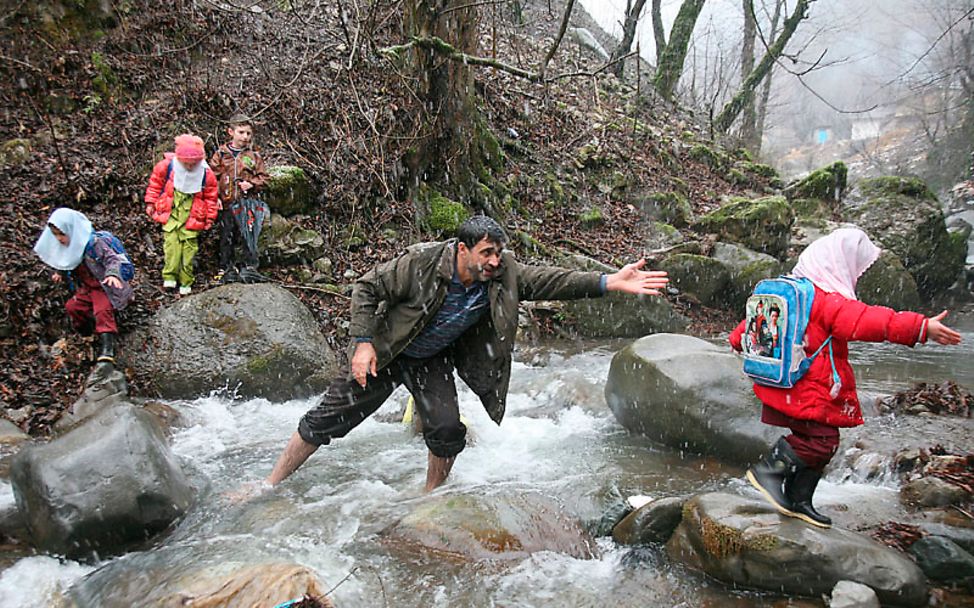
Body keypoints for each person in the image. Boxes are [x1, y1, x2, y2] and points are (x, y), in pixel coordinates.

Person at [262, 216, 669, 493]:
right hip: (389, 351)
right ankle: (269, 483)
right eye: (487, 253)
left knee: (446, 430)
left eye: (499, 252)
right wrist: (363, 343)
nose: (495, 261)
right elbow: (367, 288)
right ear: (463, 249)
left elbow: (549, 280)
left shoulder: (503, 271)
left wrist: (607, 281)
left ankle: (429, 497)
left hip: (432, 359)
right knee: (326, 419)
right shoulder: (420, 263)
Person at [729, 227, 961, 528]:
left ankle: (799, 500)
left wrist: (746, 346)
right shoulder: (826, 300)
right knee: (821, 443)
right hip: (808, 389)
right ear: (840, 265)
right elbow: (873, 321)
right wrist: (920, 327)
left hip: (781, 384)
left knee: (823, 442)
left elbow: (742, 333)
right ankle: (768, 472)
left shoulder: (786, 291)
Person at [33, 208, 134, 366]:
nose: (59, 239)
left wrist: (113, 274)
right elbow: (66, 260)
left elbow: (112, 260)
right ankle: (86, 331)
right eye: (56, 235)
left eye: (62, 234)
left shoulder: (94, 243)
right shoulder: (67, 246)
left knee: (103, 311)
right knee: (73, 307)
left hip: (103, 286)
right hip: (86, 287)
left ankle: (107, 347)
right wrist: (60, 272)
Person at [144, 134, 219, 295]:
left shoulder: (206, 173)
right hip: (172, 214)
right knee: (171, 246)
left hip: (193, 216)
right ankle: (169, 276)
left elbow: (211, 197)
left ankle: (186, 280)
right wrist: (151, 203)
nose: (190, 167)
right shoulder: (167, 166)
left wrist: (210, 217)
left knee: (189, 250)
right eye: (186, 163)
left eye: (194, 164)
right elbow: (155, 184)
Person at [208, 114, 270, 284]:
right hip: (227, 203)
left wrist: (251, 184)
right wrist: (215, 198)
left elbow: (264, 178)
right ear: (231, 132)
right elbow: (211, 178)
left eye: (248, 133)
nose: (245, 137)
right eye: (241, 132)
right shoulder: (221, 154)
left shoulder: (254, 156)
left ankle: (250, 268)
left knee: (248, 235)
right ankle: (225, 268)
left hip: (247, 203)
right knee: (226, 235)